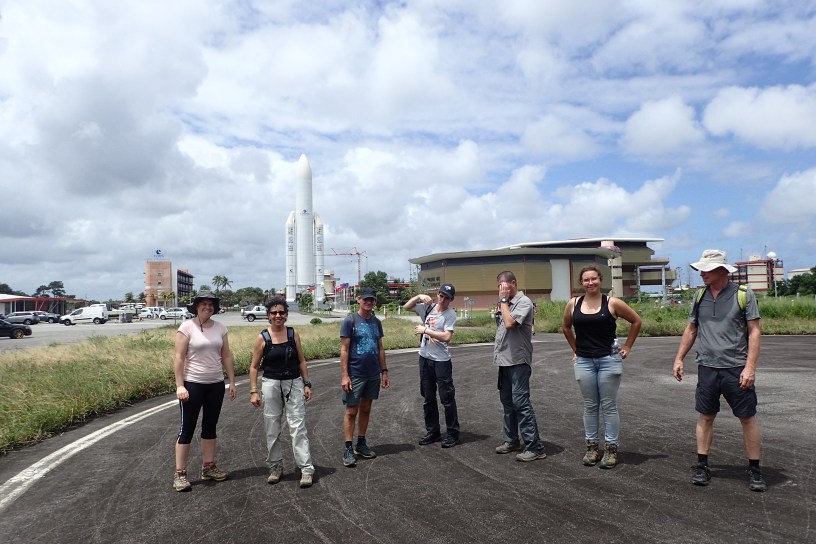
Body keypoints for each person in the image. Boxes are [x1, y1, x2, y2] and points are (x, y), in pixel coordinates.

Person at [673, 249, 766, 492]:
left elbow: (754, 331)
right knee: (705, 415)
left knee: (747, 417)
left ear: (723, 270)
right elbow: (691, 329)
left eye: (707, 270)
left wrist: (750, 367)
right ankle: (702, 465)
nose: (701, 274)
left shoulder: (743, 294)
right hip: (707, 367)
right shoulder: (699, 295)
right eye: (701, 269)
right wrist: (679, 358)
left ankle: (755, 469)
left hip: (736, 368)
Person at [561, 265, 642, 469]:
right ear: (581, 283)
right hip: (584, 361)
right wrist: (576, 349)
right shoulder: (573, 304)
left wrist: (627, 347)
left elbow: (636, 321)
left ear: (600, 280)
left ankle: (611, 450)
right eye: (586, 280)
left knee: (608, 406)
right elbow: (566, 326)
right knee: (590, 406)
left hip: (608, 360)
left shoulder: (612, 303)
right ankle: (592, 448)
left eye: (594, 279)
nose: (591, 283)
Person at [172, 290, 236, 492]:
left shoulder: (220, 328)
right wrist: (180, 385)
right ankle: (180, 474)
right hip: (193, 384)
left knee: (210, 427)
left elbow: (226, 355)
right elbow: (179, 357)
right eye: (204, 304)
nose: (208, 307)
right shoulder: (187, 327)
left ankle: (208, 467)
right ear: (196, 306)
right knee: (187, 429)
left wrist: (232, 381)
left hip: (215, 384)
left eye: (211, 304)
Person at [249, 297, 315, 488]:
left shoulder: (293, 334)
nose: (278, 315)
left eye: (281, 312)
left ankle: (306, 469)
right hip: (271, 383)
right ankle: (275, 466)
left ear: (286, 314)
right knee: (272, 426)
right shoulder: (263, 338)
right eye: (274, 313)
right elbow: (254, 367)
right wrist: (253, 391)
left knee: (298, 426)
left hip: (293, 382)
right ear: (268, 316)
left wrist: (307, 383)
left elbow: (301, 360)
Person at [493, 271, 547, 462]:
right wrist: (503, 303)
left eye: (504, 285)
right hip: (504, 360)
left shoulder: (523, 302)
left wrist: (503, 301)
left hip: (518, 361)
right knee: (507, 402)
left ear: (513, 283)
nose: (501, 289)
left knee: (521, 402)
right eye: (499, 286)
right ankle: (511, 440)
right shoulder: (505, 303)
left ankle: (535, 446)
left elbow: (509, 324)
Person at [403, 284, 460, 448]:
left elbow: (447, 337)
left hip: (441, 361)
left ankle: (453, 433)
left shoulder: (450, 315)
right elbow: (407, 307)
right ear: (437, 294)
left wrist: (426, 330)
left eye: (447, 297)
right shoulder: (428, 308)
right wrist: (419, 296)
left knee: (447, 398)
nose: (443, 299)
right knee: (428, 397)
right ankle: (433, 431)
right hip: (425, 358)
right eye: (441, 295)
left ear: (451, 299)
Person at [339, 287, 391, 467]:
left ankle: (361, 443)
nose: (369, 302)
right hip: (355, 373)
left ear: (375, 302)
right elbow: (344, 349)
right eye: (366, 299)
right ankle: (348, 447)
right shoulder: (350, 320)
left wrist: (384, 371)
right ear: (359, 300)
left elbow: (380, 348)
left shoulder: (376, 322)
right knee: (351, 410)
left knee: (366, 408)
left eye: (372, 300)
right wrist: (345, 375)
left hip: (373, 373)